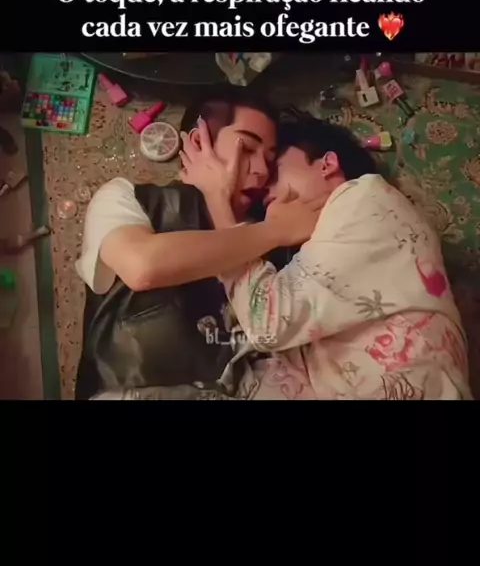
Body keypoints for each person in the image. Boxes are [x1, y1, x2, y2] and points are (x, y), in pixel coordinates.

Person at [180, 113, 472, 400]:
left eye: (276, 171)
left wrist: (218, 198)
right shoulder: (333, 243)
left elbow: (269, 321)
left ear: (327, 164)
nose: (265, 189)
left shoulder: (365, 198)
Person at [74, 86, 322, 400]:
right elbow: (142, 266)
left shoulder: (278, 249)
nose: (261, 171)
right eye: (247, 148)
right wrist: (275, 231)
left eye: (269, 161)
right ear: (198, 143)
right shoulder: (129, 198)